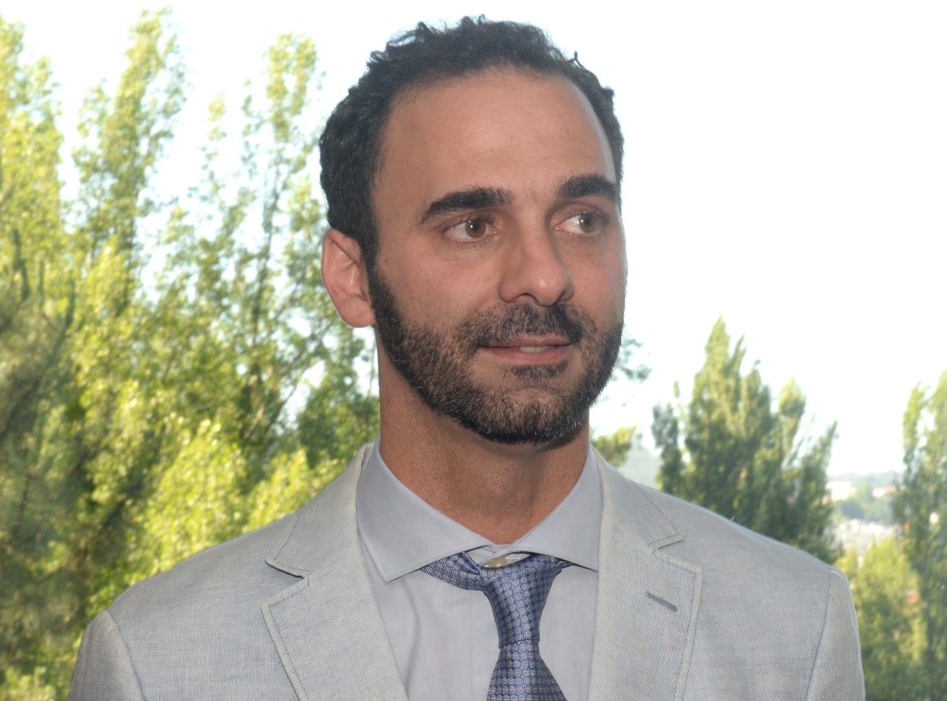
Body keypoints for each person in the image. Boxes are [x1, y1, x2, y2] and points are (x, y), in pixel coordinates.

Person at [69, 17, 865, 701]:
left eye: (582, 219)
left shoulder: (796, 630)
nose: (545, 275)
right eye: (473, 225)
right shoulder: (159, 663)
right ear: (353, 278)